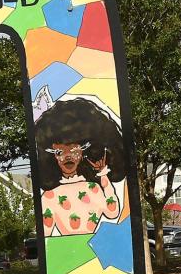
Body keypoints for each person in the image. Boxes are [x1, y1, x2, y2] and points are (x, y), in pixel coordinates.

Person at [36, 98, 127, 236]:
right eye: (60, 152)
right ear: (52, 156)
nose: (67, 156)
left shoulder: (94, 189)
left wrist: (103, 176)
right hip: (66, 253)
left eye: (74, 150)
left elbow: (112, 211)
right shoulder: (50, 196)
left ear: (84, 151)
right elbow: (46, 235)